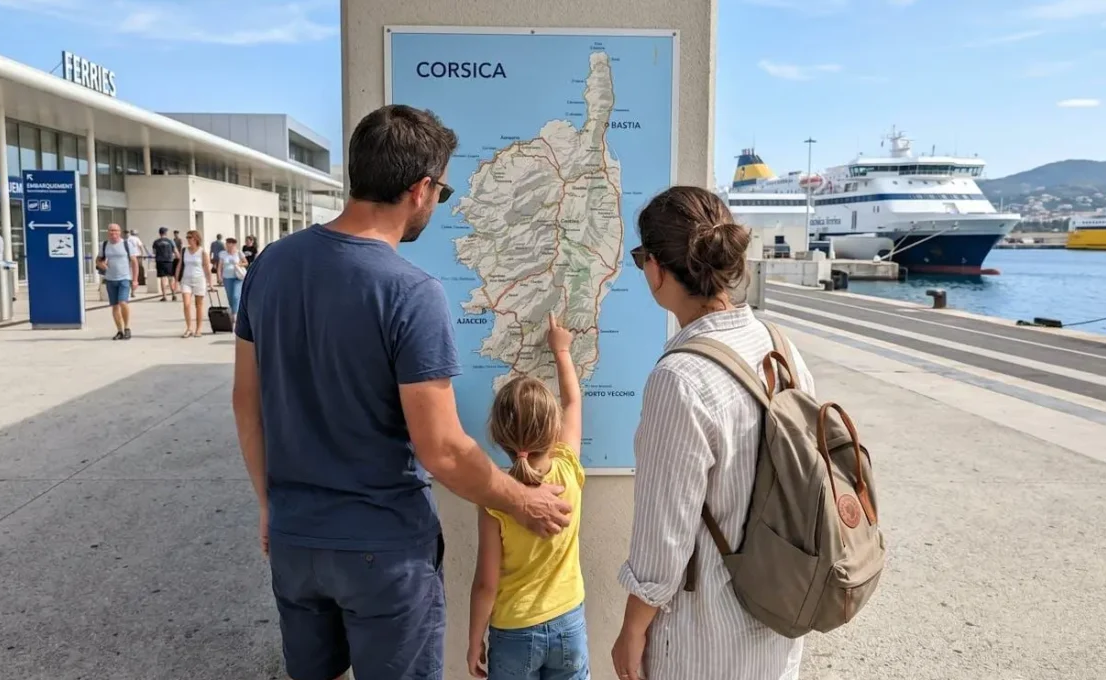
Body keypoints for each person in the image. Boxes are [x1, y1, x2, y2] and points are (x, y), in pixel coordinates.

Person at [231, 104, 571, 680]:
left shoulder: (270, 267)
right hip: (383, 551)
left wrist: (271, 505)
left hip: (295, 539)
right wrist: (523, 500)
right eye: (441, 188)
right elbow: (441, 449)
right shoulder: (410, 293)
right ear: (421, 189)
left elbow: (247, 400)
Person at [611, 186, 816, 680]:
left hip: (704, 638)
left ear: (657, 269)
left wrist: (631, 630)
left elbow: (665, 537)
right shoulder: (779, 346)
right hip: (781, 614)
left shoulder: (679, 379)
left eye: (641, 257)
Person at [467, 314, 587, 680]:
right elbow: (573, 403)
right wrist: (561, 350)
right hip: (569, 622)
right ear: (552, 431)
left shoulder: (495, 500)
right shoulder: (568, 470)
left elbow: (487, 583)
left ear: (498, 435)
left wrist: (474, 641)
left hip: (514, 632)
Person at [95, 223, 139, 341]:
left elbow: (134, 262)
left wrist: (135, 280)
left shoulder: (126, 244)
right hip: (110, 279)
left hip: (124, 278)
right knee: (114, 306)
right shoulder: (104, 245)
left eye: (115, 231)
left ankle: (127, 328)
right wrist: (101, 264)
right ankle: (119, 330)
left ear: (119, 232)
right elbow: (98, 259)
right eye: (111, 231)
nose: (113, 233)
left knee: (123, 302)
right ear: (108, 232)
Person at [175, 229, 211, 338]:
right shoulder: (184, 250)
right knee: (186, 304)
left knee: (198, 305)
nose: (188, 239)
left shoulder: (202, 252)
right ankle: (189, 328)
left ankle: (198, 329)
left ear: (195, 239)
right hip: (186, 280)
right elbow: (180, 265)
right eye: (187, 237)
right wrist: (176, 281)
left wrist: (211, 283)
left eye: (189, 237)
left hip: (199, 280)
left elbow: (206, 268)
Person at [217, 237, 247, 315]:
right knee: (230, 297)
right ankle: (235, 310)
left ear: (234, 245)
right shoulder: (222, 253)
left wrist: (238, 264)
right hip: (227, 278)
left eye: (230, 244)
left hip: (238, 277)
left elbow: (246, 263)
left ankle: (235, 315)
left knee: (236, 296)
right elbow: (220, 266)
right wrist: (219, 276)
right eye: (227, 243)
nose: (228, 245)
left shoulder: (239, 252)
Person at [151, 227, 179, 302]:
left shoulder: (156, 242)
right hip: (169, 261)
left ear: (160, 233)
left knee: (162, 278)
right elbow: (175, 251)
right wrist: (179, 258)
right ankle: (173, 295)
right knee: (170, 278)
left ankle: (164, 296)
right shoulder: (170, 241)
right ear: (166, 233)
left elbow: (154, 252)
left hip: (160, 261)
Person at [126, 229, 147, 297]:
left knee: (130, 273)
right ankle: (134, 290)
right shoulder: (137, 239)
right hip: (137, 256)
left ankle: (130, 291)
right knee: (136, 272)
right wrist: (143, 254)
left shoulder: (128, 239)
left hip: (129, 256)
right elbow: (140, 246)